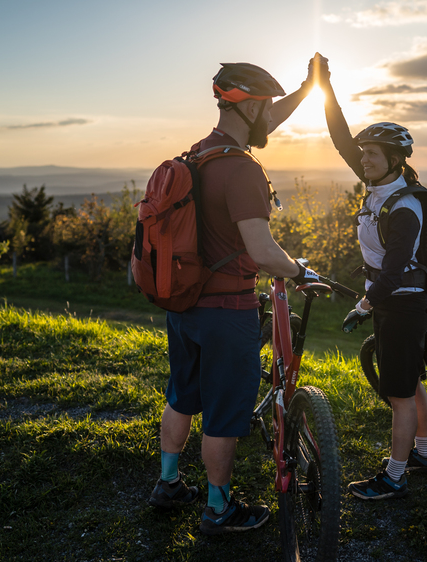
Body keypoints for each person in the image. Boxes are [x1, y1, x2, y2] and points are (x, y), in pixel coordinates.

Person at [148, 60, 324, 534]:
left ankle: (168, 483)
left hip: (184, 304)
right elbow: (263, 251)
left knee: (183, 395)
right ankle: (219, 509)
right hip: (228, 312)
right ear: (250, 108)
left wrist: (309, 89)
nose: (273, 118)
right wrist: (299, 269)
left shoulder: (197, 156)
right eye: (267, 108)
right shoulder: (242, 170)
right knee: (224, 415)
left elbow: (268, 120)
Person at [315, 55, 427, 501]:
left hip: (400, 302)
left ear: (394, 161)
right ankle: (424, 452)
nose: (362, 159)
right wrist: (323, 86)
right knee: (410, 381)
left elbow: (390, 274)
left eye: (371, 154)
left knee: (400, 395)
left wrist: (362, 305)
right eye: (364, 153)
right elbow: (339, 138)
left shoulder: (403, 207)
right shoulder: (378, 186)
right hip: (394, 299)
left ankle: (396, 475)